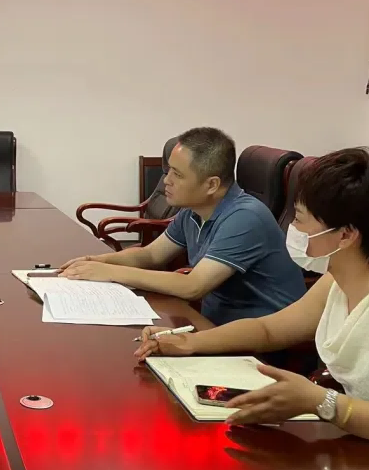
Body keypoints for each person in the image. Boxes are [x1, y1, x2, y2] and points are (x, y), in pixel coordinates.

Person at [136, 148, 369, 470]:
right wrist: (191, 343)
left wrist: (324, 402)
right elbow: (270, 330)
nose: (293, 231)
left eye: (300, 220)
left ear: (345, 235)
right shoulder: (342, 276)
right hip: (365, 450)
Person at [61, 127, 306, 326]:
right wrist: (97, 261)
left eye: (177, 175)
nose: (166, 180)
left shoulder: (245, 217)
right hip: (216, 326)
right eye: (168, 171)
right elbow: (151, 255)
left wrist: (110, 272)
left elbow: (193, 286)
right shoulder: (193, 211)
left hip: (264, 344)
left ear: (211, 185)